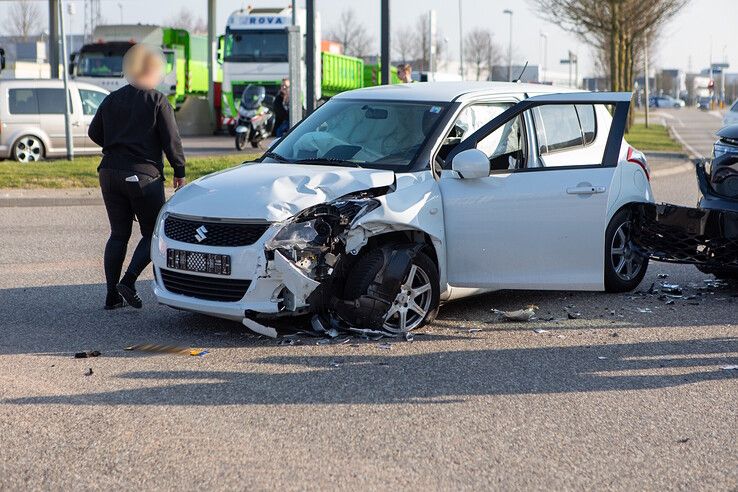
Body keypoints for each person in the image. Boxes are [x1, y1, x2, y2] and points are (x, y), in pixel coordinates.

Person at [88, 43, 186, 310]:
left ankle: (111, 296)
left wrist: (115, 144)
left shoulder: (111, 99)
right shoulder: (157, 101)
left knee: (118, 234)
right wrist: (179, 171)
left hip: (108, 172)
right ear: (153, 71)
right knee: (154, 232)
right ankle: (129, 281)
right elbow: (171, 141)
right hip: (143, 176)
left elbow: (94, 132)